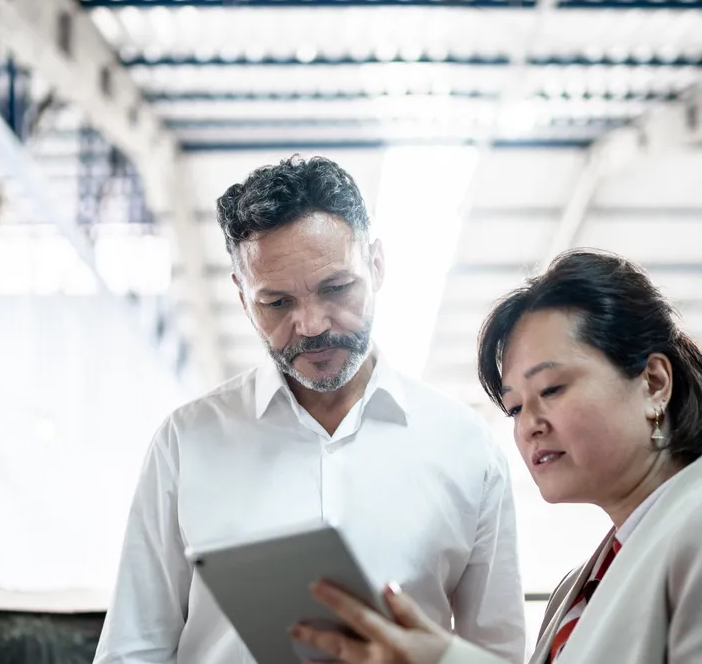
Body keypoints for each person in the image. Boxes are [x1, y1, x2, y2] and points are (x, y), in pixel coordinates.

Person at [291, 249, 702, 664]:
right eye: (514, 408)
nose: (531, 425)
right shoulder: (579, 586)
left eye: (554, 389)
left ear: (655, 383)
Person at [93, 156, 526, 663]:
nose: (312, 324)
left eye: (336, 288)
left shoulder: (466, 448)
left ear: (377, 265)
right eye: (276, 303)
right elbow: (133, 649)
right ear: (241, 295)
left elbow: (498, 656)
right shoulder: (186, 442)